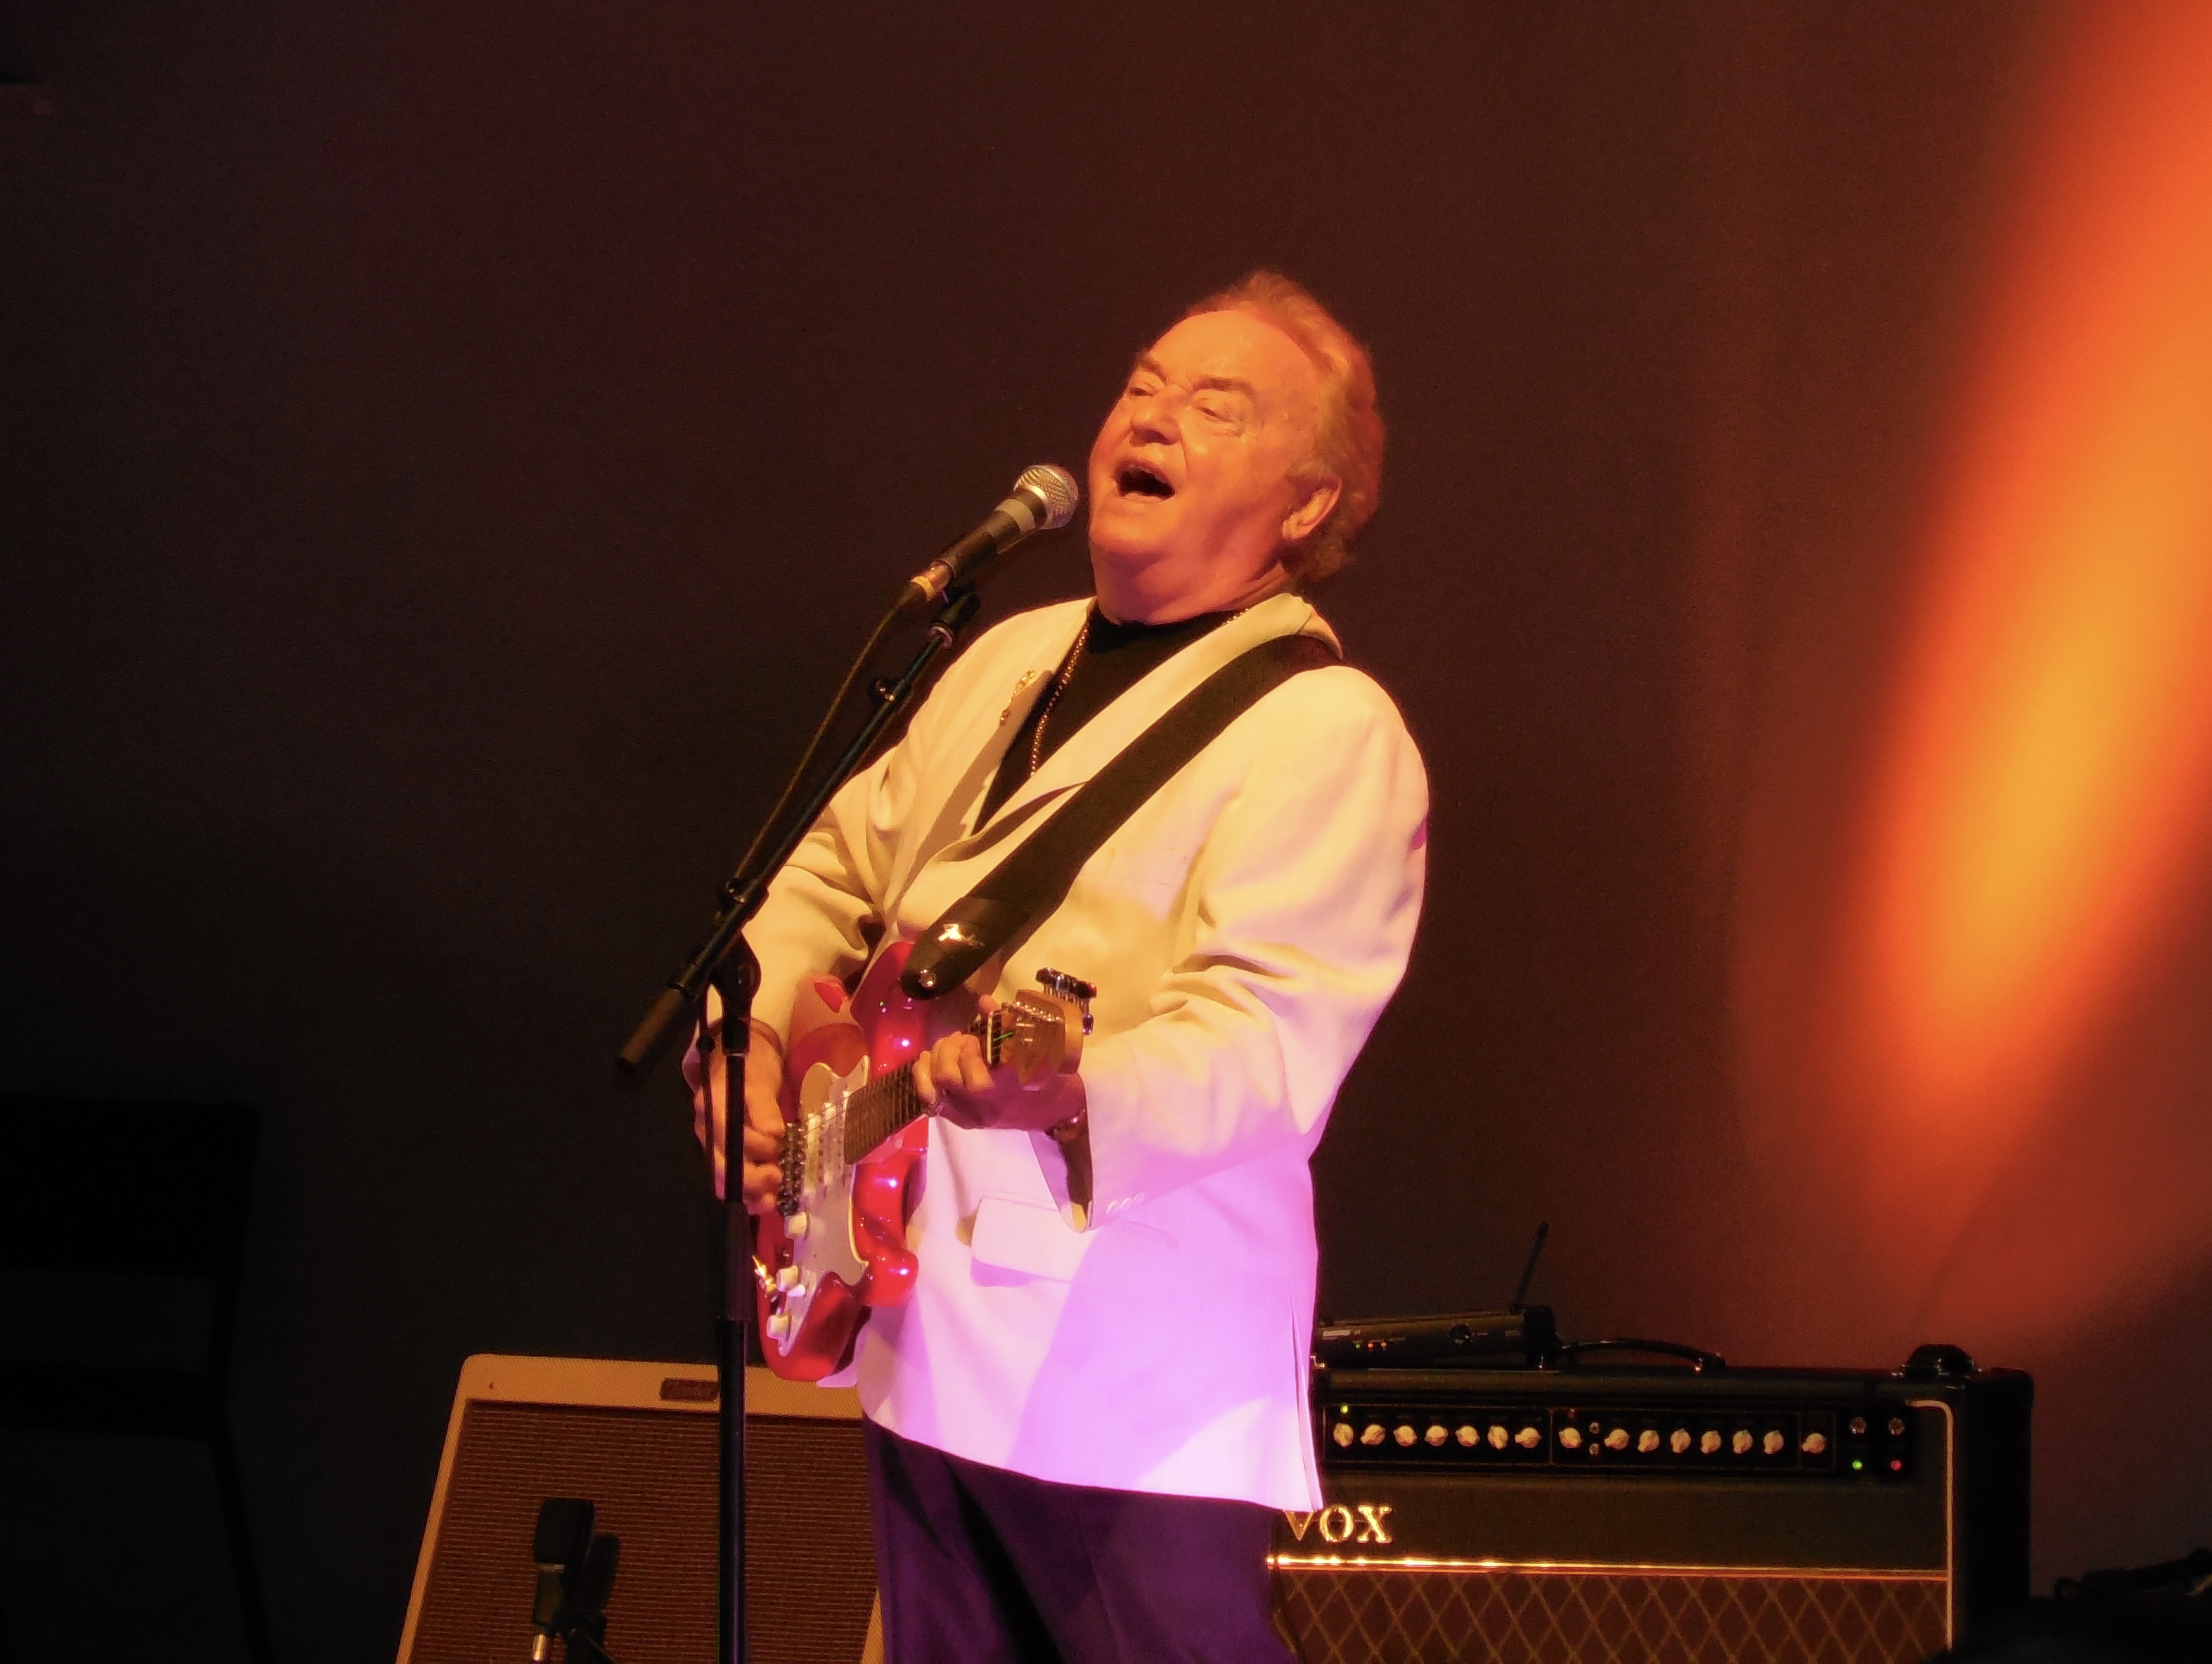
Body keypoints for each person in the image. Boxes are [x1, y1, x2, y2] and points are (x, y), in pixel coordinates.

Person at [694, 271, 1428, 1662]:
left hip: (1127, 1373)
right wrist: (756, 1041)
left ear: (1309, 502)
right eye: (1143, 387)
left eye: (1216, 408)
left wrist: (1076, 1093)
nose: (1152, 417)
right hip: (919, 1330)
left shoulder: (1329, 728)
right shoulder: (1006, 660)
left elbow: (1271, 1040)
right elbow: (831, 867)